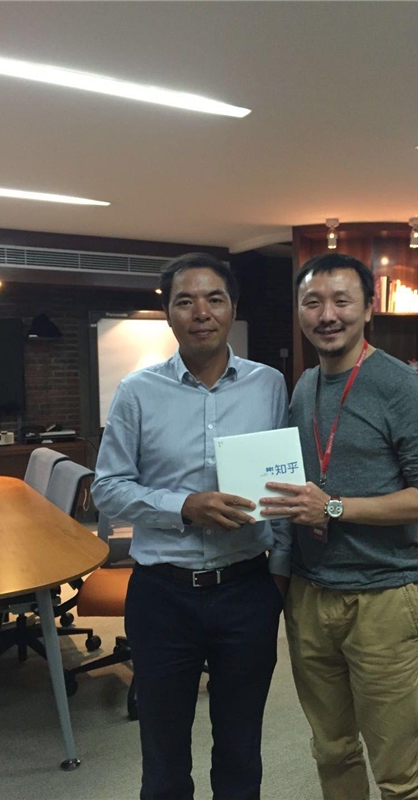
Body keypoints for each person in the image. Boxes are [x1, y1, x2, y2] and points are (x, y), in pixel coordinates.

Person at [92, 252, 290, 800]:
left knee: (241, 752)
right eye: (185, 301)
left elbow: (286, 484)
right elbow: (107, 488)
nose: (201, 312)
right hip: (163, 596)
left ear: (232, 309)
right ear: (169, 313)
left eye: (214, 299)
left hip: (246, 590)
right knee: (163, 758)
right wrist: (184, 506)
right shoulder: (137, 391)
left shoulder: (270, 385)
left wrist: (279, 575)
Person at [260, 252, 418, 800]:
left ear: (368, 308)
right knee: (332, 750)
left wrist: (335, 508)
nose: (327, 315)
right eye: (313, 302)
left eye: (341, 301)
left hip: (382, 599)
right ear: (300, 312)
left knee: (398, 770)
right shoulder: (304, 386)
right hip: (311, 595)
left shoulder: (402, 385)